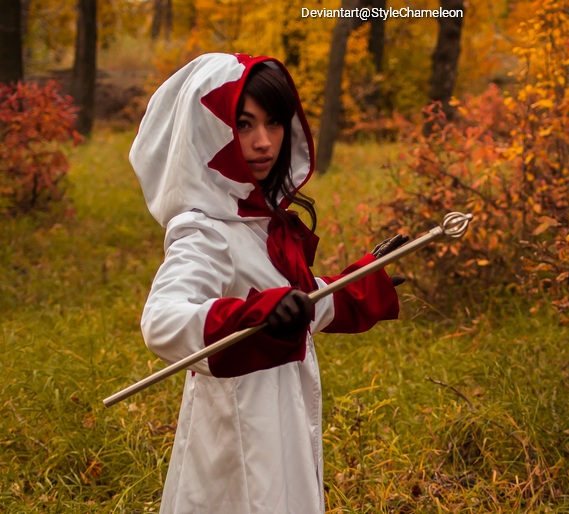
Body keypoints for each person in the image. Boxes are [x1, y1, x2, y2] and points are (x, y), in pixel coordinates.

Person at [129, 52, 407, 514]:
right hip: (240, 428)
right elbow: (161, 320)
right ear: (212, 128)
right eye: (244, 124)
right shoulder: (205, 232)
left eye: (274, 122)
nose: (264, 142)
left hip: (283, 416)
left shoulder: (259, 222)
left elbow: (293, 303)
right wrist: (254, 314)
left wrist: (357, 286)